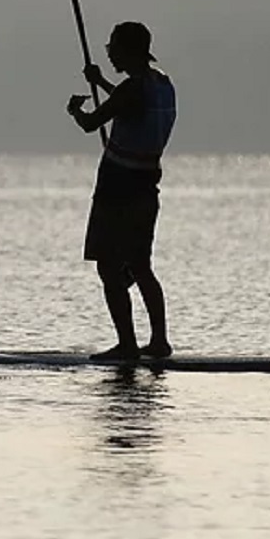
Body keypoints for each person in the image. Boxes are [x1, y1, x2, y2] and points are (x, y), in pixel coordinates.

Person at [66, 21, 177, 361]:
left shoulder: (130, 91)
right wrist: (100, 81)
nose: (109, 50)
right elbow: (132, 104)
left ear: (128, 50)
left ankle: (127, 346)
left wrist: (74, 109)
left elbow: (91, 123)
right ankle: (159, 342)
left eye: (113, 45)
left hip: (117, 191)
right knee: (141, 265)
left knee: (109, 268)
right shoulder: (162, 84)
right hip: (146, 189)